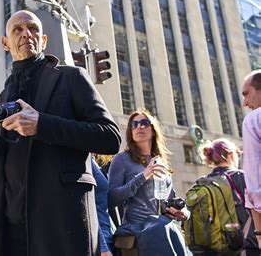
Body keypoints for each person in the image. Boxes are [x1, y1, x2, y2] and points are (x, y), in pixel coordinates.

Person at [0, 10, 121, 256]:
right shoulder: (4, 97)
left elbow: (110, 137)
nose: (26, 34)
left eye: (32, 28)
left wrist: (42, 124)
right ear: (5, 43)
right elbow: (3, 169)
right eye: (17, 30)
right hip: (15, 225)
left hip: (61, 223)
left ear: (43, 40)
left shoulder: (71, 78)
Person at [108, 109, 190, 255]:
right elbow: (111, 198)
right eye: (134, 124)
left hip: (163, 231)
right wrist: (142, 176)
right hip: (136, 233)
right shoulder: (122, 159)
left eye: (144, 123)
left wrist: (183, 213)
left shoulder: (160, 162)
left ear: (153, 130)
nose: (139, 127)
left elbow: (169, 199)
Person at [197, 139, 258, 255]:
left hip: (215, 249)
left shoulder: (201, 183)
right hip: (249, 246)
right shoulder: (243, 177)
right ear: (230, 155)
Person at [241, 70, 261, 249]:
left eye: (247, 94)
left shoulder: (254, 120)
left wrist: (259, 233)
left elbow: (254, 185)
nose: (245, 103)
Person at [92, 154, 115, 256]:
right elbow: (88, 208)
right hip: (98, 243)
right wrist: (102, 246)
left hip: (107, 237)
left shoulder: (94, 162)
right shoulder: (84, 161)